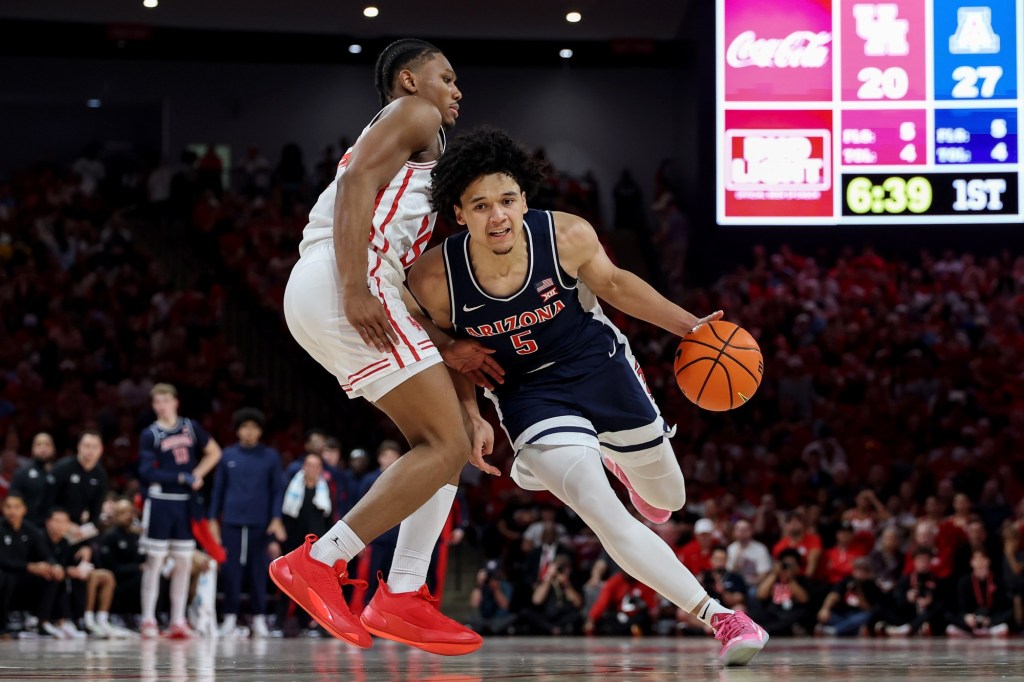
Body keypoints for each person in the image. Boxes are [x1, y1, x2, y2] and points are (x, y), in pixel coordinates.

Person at [406, 126, 768, 665]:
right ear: (458, 213)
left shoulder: (567, 234)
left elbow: (617, 286)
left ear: (525, 198)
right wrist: (469, 411)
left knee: (668, 501)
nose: (498, 216)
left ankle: (599, 459)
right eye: (480, 206)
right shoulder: (436, 277)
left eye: (507, 200)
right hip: (528, 392)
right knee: (603, 511)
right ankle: (722, 617)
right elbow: (439, 340)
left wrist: (692, 327)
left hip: (599, 368)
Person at [273, 38, 497, 656]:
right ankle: (320, 561)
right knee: (443, 443)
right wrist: (354, 286)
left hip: (349, 282)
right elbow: (353, 187)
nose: (455, 91)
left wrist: (472, 410)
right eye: (445, 77)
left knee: (445, 444)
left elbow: (423, 305)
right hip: (346, 275)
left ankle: (399, 592)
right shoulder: (413, 114)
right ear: (408, 80)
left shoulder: (426, 154)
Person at [137, 383, 222, 639]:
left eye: (165, 400)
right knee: (155, 561)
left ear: (175, 402)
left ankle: (177, 619)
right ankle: (149, 619)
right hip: (160, 501)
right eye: (157, 402)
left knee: (184, 562)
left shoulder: (190, 427)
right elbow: (146, 471)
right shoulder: (150, 434)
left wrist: (196, 474)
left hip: (185, 503)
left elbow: (214, 452)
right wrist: (183, 477)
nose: (161, 405)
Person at [209, 408, 284, 638]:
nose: (249, 432)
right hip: (231, 521)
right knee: (231, 570)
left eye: (253, 428)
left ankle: (259, 619)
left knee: (258, 571)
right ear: (238, 430)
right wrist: (212, 519)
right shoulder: (228, 455)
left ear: (260, 431)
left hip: (259, 523)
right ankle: (230, 618)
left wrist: (275, 518)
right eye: (244, 427)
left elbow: (277, 490)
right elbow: (218, 489)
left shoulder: (270, 457)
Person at [0, 492, 62, 637]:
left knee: (51, 574)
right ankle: (2, 627)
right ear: (2, 509)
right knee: (4, 578)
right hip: (5, 574)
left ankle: (41, 622)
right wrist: (29, 566)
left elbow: (45, 554)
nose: (12, 511)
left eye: (16, 507)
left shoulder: (30, 530)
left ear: (24, 509)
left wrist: (54, 564)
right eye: (8, 507)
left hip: (24, 578)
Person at [46, 431, 109, 543]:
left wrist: (87, 544)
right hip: (55, 526)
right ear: (79, 446)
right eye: (87, 446)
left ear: (101, 450)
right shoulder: (63, 468)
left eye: (95, 447)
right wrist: (66, 524)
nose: (90, 450)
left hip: (80, 530)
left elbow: (95, 512)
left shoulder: (101, 475)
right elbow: (48, 501)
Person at [10, 433, 57, 526]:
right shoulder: (21, 474)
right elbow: (13, 502)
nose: (43, 448)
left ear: (53, 448)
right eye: (38, 444)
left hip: (56, 528)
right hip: (30, 527)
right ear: (32, 448)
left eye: (47, 444)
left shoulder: (60, 472)